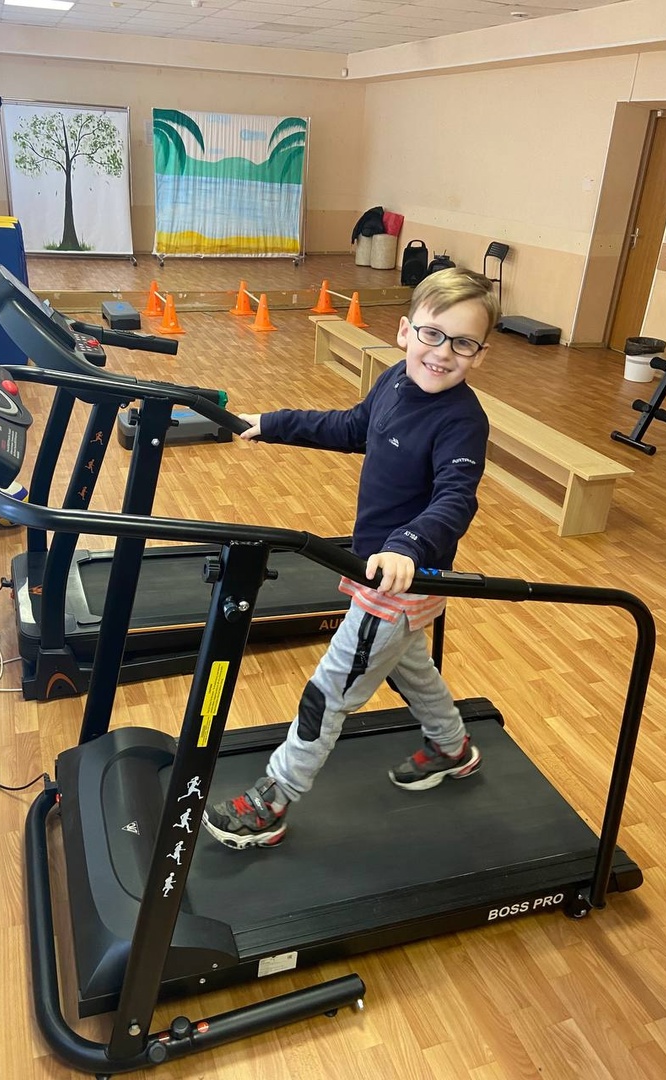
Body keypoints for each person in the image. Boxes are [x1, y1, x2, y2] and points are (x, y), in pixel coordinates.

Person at [203, 267, 501, 849]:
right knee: (411, 667)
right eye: (432, 334)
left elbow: (455, 499)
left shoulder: (463, 422)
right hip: (378, 569)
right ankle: (452, 747)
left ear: (480, 354)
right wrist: (275, 424)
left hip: (401, 579)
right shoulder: (394, 382)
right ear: (405, 331)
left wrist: (407, 545)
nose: (443, 353)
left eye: (463, 344)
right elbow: (351, 427)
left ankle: (274, 798)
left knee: (330, 690)